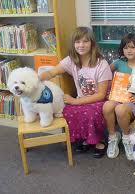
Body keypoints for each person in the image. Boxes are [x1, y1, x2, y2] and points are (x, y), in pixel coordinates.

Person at [40, 26, 112, 158]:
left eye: (85, 41)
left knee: (90, 112)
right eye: (78, 42)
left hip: (99, 100)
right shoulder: (71, 60)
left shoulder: (102, 64)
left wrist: (75, 101)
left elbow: (101, 95)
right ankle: (86, 138)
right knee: (67, 110)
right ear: (73, 44)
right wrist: (35, 78)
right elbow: (52, 72)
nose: (81, 45)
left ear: (92, 43)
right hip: (81, 98)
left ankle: (99, 140)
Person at [103, 33, 135, 160]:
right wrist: (110, 85)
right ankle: (113, 137)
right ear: (122, 50)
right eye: (126, 48)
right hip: (119, 97)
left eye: (132, 47)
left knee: (120, 109)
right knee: (107, 106)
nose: (129, 50)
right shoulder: (119, 63)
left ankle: (127, 138)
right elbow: (104, 73)